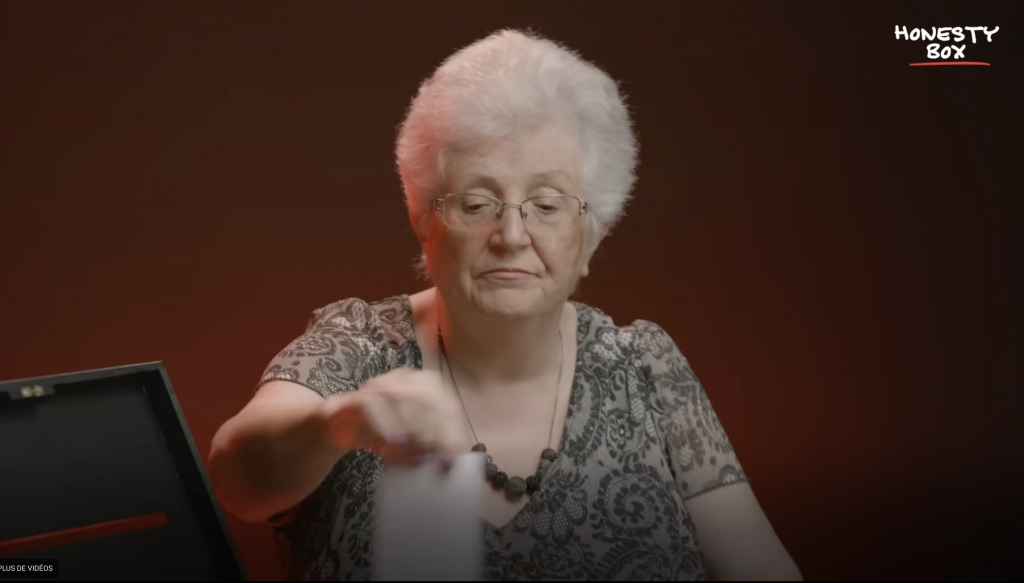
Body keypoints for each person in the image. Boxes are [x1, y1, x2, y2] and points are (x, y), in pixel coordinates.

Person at [208, 29, 803, 581]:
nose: (512, 235)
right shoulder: (358, 344)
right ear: (424, 222)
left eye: (547, 204)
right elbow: (237, 478)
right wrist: (342, 423)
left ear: (591, 235)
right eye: (476, 201)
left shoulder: (644, 365)